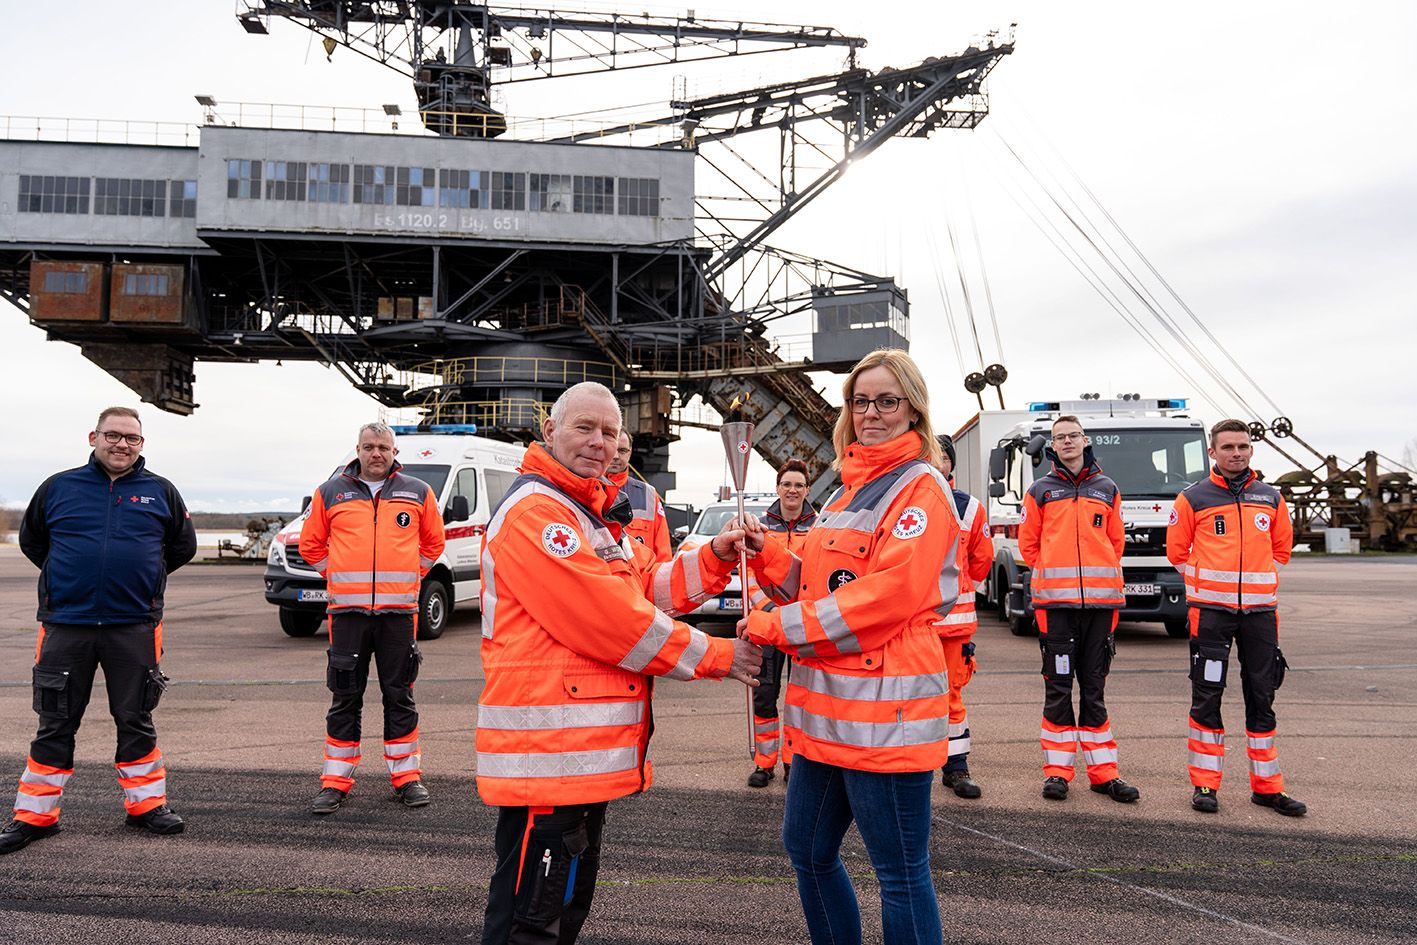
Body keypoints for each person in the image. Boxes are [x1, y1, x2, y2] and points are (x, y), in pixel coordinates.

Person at [476, 381, 764, 945]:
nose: (599, 443)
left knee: (560, 911)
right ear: (550, 431)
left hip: (574, 759)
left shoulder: (586, 511)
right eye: (585, 428)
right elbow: (612, 620)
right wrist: (718, 656)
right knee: (531, 923)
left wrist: (713, 558)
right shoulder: (540, 515)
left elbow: (643, 587)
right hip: (550, 760)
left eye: (610, 432)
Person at [739, 348, 960, 945]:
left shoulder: (921, 490)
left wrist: (777, 627)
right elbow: (817, 582)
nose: (872, 413)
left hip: (883, 720)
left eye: (887, 401)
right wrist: (768, 556)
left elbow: (885, 599)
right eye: (861, 401)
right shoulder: (843, 491)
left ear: (912, 410)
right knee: (807, 850)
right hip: (823, 718)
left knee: (900, 874)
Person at [2, 406, 196, 855]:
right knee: (55, 720)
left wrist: (143, 579)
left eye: (131, 437)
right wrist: (69, 579)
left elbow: (179, 548)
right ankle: (35, 815)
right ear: (94, 437)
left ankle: (146, 806)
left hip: (134, 626)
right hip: (66, 625)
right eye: (113, 435)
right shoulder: (59, 488)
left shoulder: (161, 492)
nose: (121, 444)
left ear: (141, 444)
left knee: (135, 717)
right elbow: (35, 542)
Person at [300, 422, 445, 815]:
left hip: (399, 614)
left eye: (383, 447)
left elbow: (434, 541)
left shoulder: (418, 491)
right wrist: (339, 573)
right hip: (347, 614)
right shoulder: (330, 493)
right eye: (369, 446)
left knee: (400, 694)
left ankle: (406, 777)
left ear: (394, 451)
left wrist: (412, 575)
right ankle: (335, 781)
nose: (376, 453)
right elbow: (310, 544)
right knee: (345, 696)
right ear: (358, 450)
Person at [1167, 419, 1305, 816]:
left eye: (1243, 446)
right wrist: (1209, 588)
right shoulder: (1193, 498)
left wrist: (1258, 587)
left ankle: (1268, 787)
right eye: (1227, 447)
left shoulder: (1271, 498)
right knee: (1207, 695)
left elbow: (1281, 550)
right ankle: (1206, 786)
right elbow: (1177, 553)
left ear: (1251, 450)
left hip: (1260, 616)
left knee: (1262, 696)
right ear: (1213, 452)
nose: (1236, 453)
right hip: (1210, 615)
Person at [1019, 415, 1140, 803]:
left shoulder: (1107, 488)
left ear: (1085, 440)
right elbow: (1029, 545)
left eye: (1073, 435)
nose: (1067, 442)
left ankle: (1105, 774)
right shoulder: (1040, 490)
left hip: (1102, 605)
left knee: (1094, 688)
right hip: (1055, 606)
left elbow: (1115, 542)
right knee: (1057, 688)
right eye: (1060, 438)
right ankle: (1057, 773)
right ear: (1052, 446)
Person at [746, 458, 817, 788]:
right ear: (778, 488)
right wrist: (770, 611)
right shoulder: (760, 527)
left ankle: (792, 762)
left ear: (807, 490)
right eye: (787, 484)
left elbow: (817, 577)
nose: (792, 490)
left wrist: (796, 616)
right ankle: (764, 763)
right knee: (764, 696)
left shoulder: (820, 528)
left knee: (799, 698)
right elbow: (748, 575)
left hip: (802, 628)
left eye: (798, 485)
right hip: (768, 627)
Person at [934, 433, 994, 798]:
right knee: (906, 697)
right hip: (911, 624)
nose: (936, 461)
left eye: (942, 456)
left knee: (952, 696)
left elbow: (981, 562)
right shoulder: (903, 501)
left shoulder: (969, 508)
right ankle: (911, 765)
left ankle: (955, 768)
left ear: (951, 463)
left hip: (953, 627)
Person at [606, 431, 671, 562]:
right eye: (612, 449)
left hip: (640, 580)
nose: (616, 456)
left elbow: (663, 555)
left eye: (622, 450)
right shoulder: (583, 489)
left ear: (629, 454)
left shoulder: (649, 495)